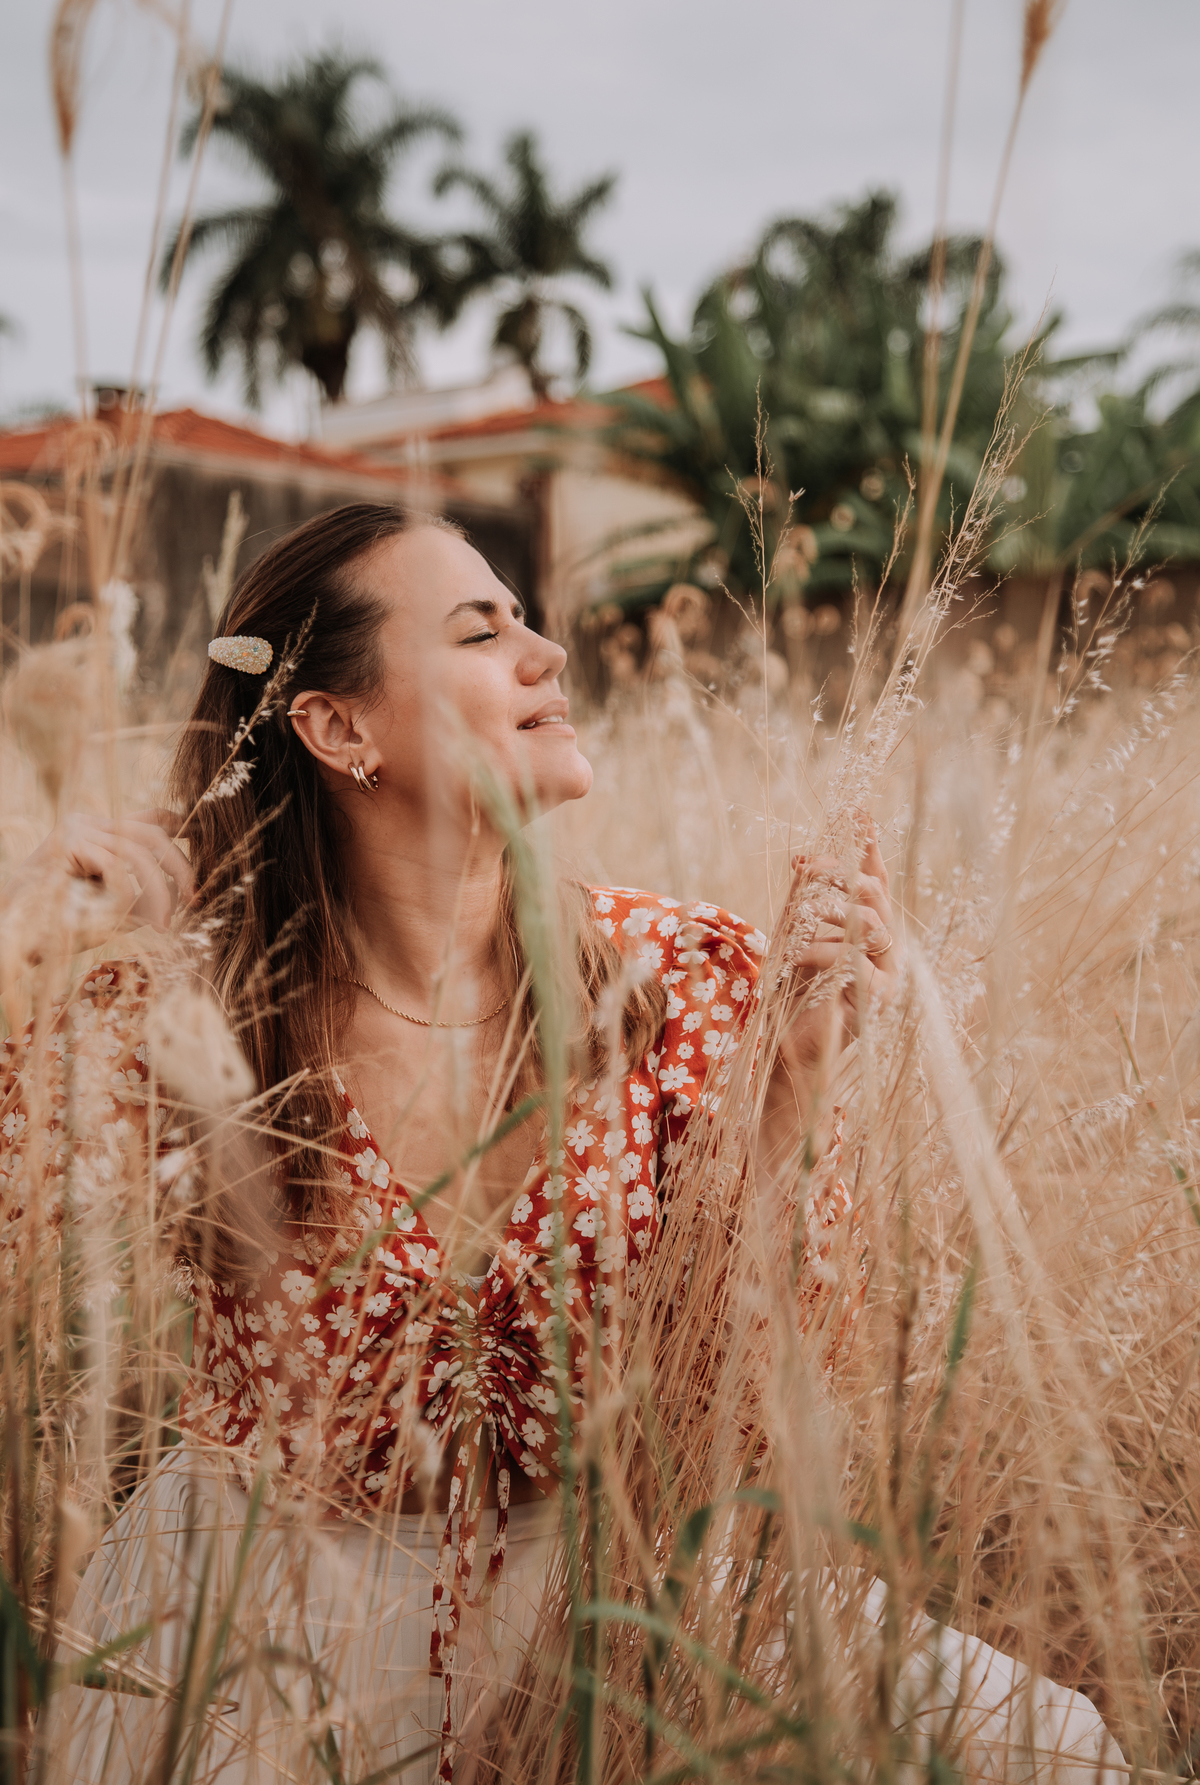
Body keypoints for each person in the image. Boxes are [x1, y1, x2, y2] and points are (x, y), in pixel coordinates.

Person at [0, 504, 1118, 1783]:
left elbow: (736, 1416)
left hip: (607, 1583)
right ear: (335, 725)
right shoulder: (191, 1002)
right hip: (265, 1610)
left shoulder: (692, 976)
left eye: (526, 619)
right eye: (483, 633)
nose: (548, 657)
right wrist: (24, 956)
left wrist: (791, 1091)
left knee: (1034, 1752)